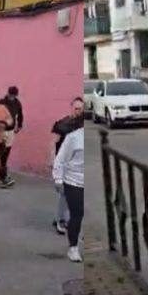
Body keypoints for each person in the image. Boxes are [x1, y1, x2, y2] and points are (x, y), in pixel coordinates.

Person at [50, 98, 85, 235]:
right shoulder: (62, 124)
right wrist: (52, 160)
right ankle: (61, 220)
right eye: (76, 108)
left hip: (77, 165)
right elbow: (53, 143)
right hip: (63, 162)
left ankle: (65, 218)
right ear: (71, 108)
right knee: (64, 194)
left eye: (81, 109)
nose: (78, 111)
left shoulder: (81, 126)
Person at [53, 120, 84, 263]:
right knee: (77, 213)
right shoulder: (73, 137)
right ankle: (73, 247)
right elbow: (60, 159)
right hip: (73, 180)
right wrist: (58, 179)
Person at [0, 86, 24, 186]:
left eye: (14, 96)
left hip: (10, 131)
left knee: (6, 153)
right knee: (0, 153)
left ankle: (2, 174)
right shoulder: (2, 102)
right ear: (8, 94)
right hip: (1, 131)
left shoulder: (17, 103)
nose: (12, 97)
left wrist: (19, 126)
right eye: (11, 95)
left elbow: (20, 115)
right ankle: (3, 177)